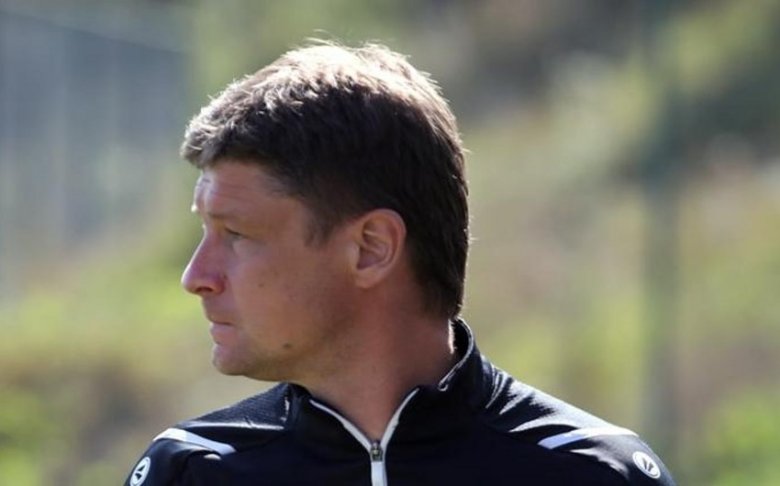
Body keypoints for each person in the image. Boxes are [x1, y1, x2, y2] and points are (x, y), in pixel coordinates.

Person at [124, 41, 675, 486]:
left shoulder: (595, 473)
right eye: (206, 232)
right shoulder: (188, 471)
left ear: (371, 248)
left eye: (237, 235)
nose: (196, 277)